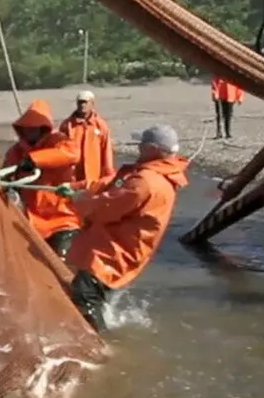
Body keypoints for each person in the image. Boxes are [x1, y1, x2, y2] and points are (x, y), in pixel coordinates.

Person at [56, 124, 189, 332]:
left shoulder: (145, 182)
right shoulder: (158, 175)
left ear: (152, 149)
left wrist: (78, 200)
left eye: (142, 144)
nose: (138, 147)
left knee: (85, 296)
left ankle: (101, 347)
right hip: (121, 247)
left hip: (113, 252)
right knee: (94, 296)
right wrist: (78, 188)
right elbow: (112, 185)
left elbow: (105, 208)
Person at [2, 99, 81, 259]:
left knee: (63, 263)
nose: (30, 132)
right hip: (30, 221)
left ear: (43, 129)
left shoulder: (58, 141)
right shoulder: (16, 152)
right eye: (27, 128)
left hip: (62, 218)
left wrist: (34, 160)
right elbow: (4, 176)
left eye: (35, 128)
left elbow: (71, 154)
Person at [59, 89, 114, 185]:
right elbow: (60, 150)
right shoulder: (67, 125)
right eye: (80, 102)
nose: (82, 105)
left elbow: (106, 150)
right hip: (73, 174)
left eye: (85, 102)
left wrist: (108, 173)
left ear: (92, 104)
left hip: (93, 174)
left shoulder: (100, 125)